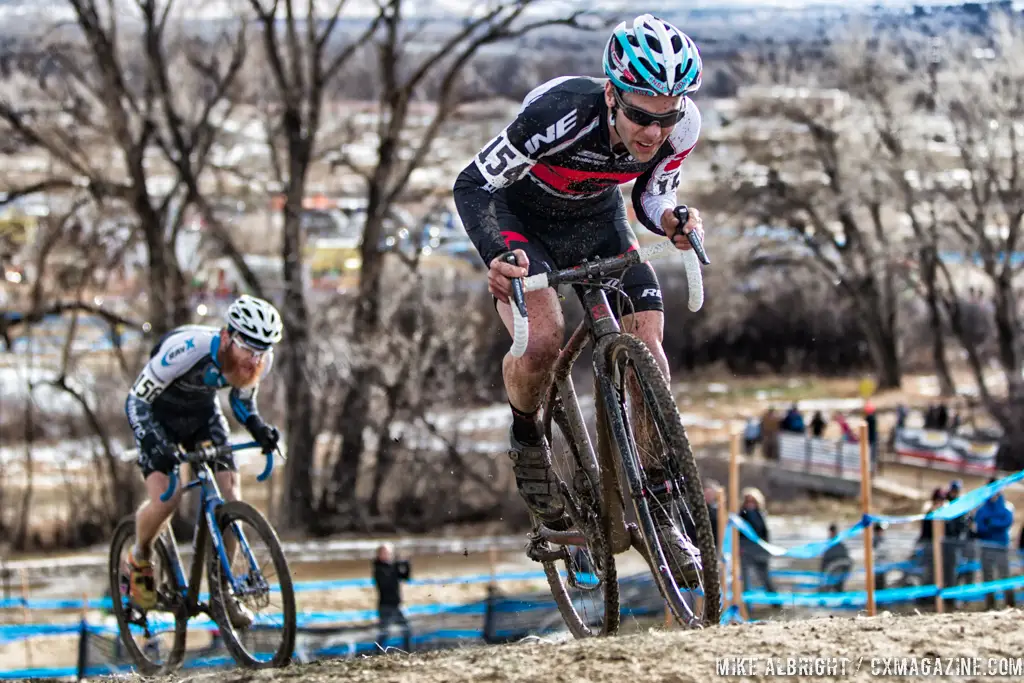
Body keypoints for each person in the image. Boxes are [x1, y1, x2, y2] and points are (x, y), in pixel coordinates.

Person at [452, 14, 705, 583]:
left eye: (665, 118)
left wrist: (674, 221)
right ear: (612, 93)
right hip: (523, 223)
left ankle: (661, 505)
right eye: (640, 114)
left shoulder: (681, 127)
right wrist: (496, 252)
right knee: (541, 341)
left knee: (651, 352)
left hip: (598, 221)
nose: (651, 132)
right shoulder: (558, 115)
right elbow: (472, 185)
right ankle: (525, 436)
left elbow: (650, 195)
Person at [123, 295, 284, 628]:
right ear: (227, 337)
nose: (254, 358)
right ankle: (140, 558)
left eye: (262, 350)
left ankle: (223, 593)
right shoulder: (188, 348)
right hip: (157, 416)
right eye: (248, 347)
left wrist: (258, 427)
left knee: (231, 496)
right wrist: (155, 441)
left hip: (202, 417)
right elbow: (136, 400)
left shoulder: (260, 360)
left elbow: (242, 402)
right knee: (168, 498)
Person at [373, 543, 412, 652]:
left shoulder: (392, 566)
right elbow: (386, 582)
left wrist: (407, 564)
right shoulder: (378, 568)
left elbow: (405, 577)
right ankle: (377, 653)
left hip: (397, 604)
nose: (387, 555)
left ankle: (408, 652)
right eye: (384, 553)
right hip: (385, 606)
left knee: (407, 631)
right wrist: (396, 565)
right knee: (384, 633)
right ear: (379, 554)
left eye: (389, 553)